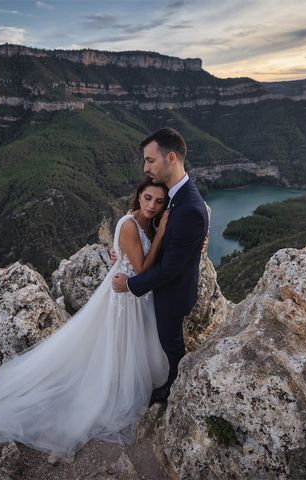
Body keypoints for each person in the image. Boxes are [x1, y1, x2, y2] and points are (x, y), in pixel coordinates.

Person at [0, 178, 171, 457]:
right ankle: (109, 392)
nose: (152, 205)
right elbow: (143, 269)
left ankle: (123, 382)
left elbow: (130, 259)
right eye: (148, 198)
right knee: (119, 345)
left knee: (123, 347)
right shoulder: (131, 225)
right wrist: (159, 237)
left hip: (132, 294)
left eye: (159, 201)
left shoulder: (145, 221)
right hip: (126, 297)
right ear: (139, 195)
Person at [112, 127, 209, 405]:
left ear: (171, 158)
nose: (145, 167)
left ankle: (175, 391)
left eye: (150, 160)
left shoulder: (189, 206)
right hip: (161, 288)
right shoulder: (174, 193)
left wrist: (129, 284)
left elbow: (169, 269)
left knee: (172, 345)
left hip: (172, 295)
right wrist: (122, 246)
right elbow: (155, 226)